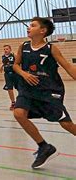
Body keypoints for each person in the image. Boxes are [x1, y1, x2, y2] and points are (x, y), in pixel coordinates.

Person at [13, 17, 76, 169]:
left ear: (43, 31)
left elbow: (67, 66)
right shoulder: (24, 46)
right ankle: (44, 147)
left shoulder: (51, 48)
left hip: (49, 91)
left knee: (65, 123)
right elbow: (15, 65)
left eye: (33, 25)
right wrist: (24, 74)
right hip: (28, 89)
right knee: (19, 113)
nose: (29, 27)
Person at [0, 44, 17, 110]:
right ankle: (13, 102)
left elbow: (19, 63)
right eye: (4, 49)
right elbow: (3, 66)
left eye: (7, 49)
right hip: (7, 75)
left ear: (10, 49)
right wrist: (1, 66)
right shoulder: (3, 57)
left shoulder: (14, 55)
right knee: (9, 89)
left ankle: (22, 102)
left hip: (15, 74)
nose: (5, 50)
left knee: (19, 88)